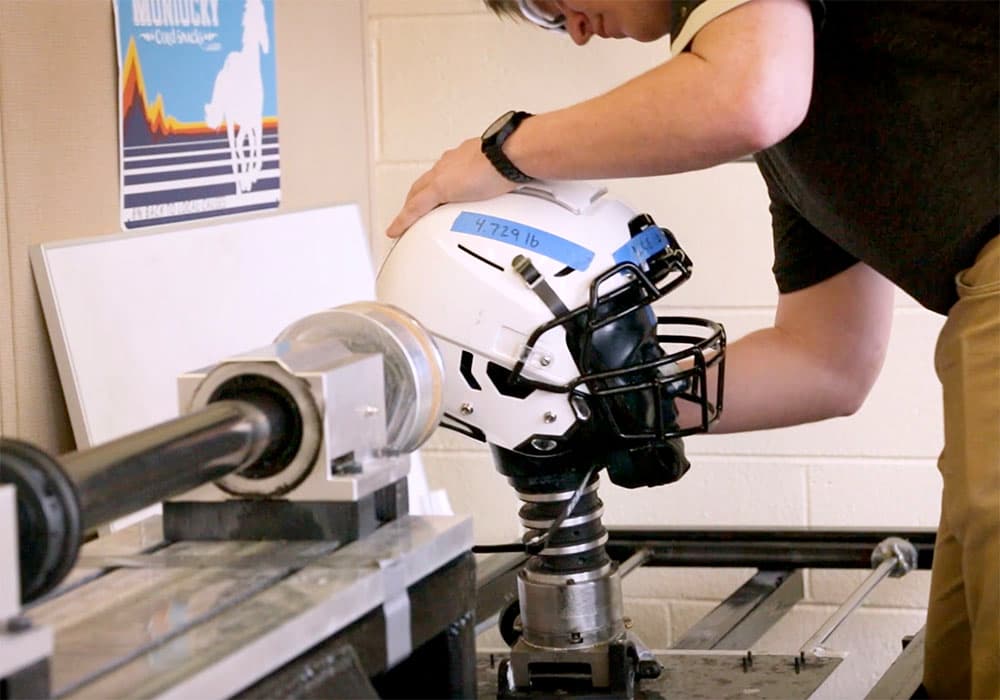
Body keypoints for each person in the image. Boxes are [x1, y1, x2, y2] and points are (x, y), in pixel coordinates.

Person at [386, 1, 999, 697]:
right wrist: (609, 401)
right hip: (977, 300)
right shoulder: (812, 122)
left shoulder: (762, 84)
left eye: (549, 3)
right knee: (961, 657)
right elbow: (826, 362)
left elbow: (745, 96)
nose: (577, 30)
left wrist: (502, 152)